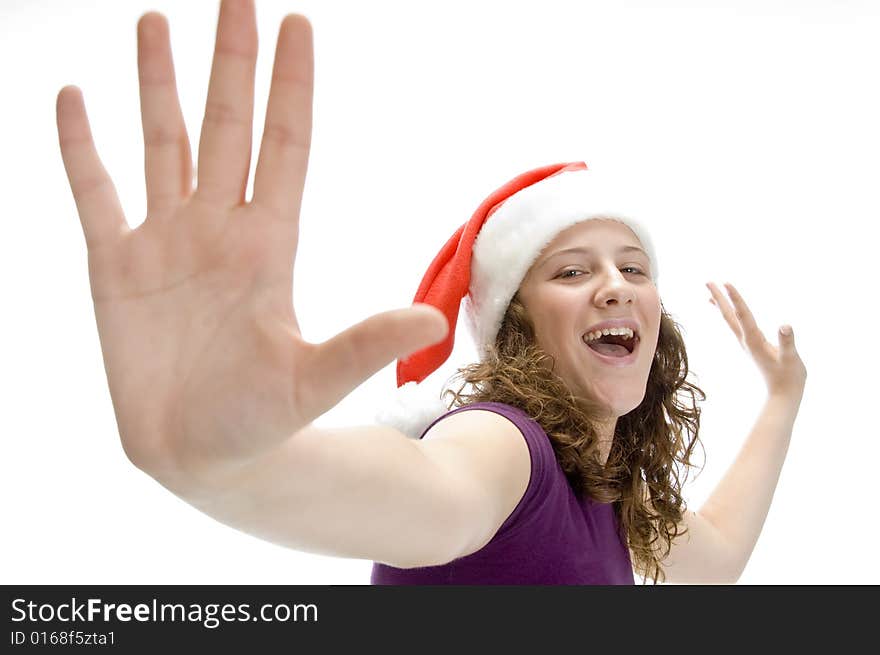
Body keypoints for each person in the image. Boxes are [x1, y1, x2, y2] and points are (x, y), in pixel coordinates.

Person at [55, 0, 807, 585]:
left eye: (634, 268)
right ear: (518, 326)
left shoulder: (610, 487)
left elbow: (713, 565)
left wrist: (782, 395)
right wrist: (222, 464)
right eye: (573, 270)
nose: (615, 285)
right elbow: (432, 494)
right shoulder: (507, 448)